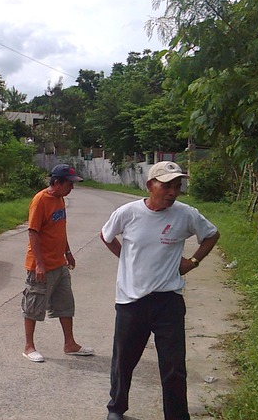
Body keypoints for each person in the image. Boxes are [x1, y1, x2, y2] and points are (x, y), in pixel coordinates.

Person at [100, 161, 220, 420]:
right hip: (131, 300)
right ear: (150, 185)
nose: (173, 192)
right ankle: (116, 408)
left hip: (168, 301)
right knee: (124, 361)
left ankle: (176, 416)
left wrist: (192, 262)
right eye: (166, 186)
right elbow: (107, 236)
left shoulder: (185, 214)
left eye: (177, 186)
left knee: (174, 366)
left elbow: (211, 234)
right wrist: (124, 258)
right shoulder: (128, 213)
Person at [22, 163, 94, 362]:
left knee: (65, 304)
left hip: (59, 264)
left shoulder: (61, 200)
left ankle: (69, 344)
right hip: (41, 265)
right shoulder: (40, 201)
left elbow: (60, 229)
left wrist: (68, 253)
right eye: (69, 184)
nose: (72, 187)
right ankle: (29, 347)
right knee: (33, 305)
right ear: (56, 182)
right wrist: (39, 263)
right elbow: (33, 233)